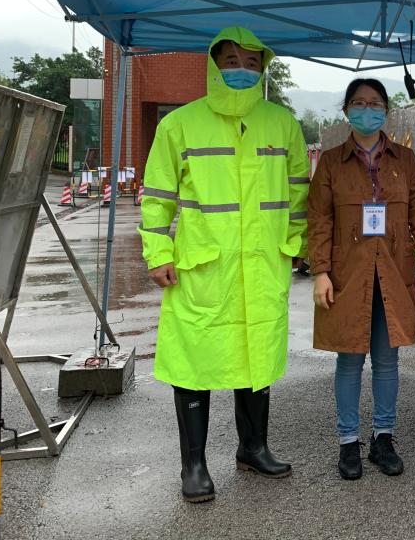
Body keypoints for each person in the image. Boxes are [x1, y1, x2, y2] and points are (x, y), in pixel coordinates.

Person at [139, 26, 309, 502]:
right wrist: (159, 253)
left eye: (252, 63)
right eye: (232, 61)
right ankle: (193, 465)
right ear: (214, 65)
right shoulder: (180, 124)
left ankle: (253, 448)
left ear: (263, 68)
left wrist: (295, 244)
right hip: (203, 267)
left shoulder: (282, 124)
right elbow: (157, 195)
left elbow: (299, 192)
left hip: (263, 265)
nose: (242, 71)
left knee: (257, 356)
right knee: (195, 362)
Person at [307, 78, 415, 480]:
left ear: (386, 110)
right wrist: (321, 272)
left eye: (376, 103)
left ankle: (384, 437)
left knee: (386, 361)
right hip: (347, 275)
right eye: (360, 103)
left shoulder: (405, 160)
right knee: (349, 359)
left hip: (393, 273)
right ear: (347, 110)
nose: (368, 110)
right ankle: (348, 441)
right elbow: (319, 220)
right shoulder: (332, 162)